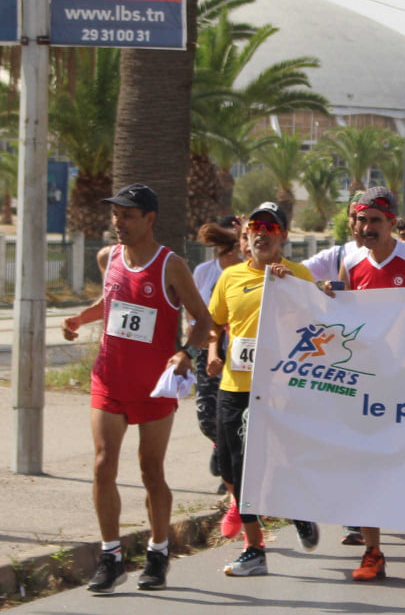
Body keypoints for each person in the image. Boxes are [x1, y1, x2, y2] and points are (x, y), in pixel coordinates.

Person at [59, 184, 213, 594]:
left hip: (154, 387)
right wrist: (80, 318)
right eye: (115, 215)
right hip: (109, 379)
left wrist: (185, 354)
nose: (118, 223)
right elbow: (111, 304)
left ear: (149, 219)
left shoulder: (170, 265)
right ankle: (110, 557)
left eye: (127, 215)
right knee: (102, 463)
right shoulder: (107, 257)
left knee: (150, 470)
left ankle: (158, 551)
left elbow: (203, 320)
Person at [306, 187, 405, 579]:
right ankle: (373, 552)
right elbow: (343, 318)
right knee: (362, 462)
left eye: (375, 221)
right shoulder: (350, 259)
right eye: (361, 220)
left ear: (391, 223)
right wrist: (329, 295)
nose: (366, 228)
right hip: (362, 381)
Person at [207, 203, 319, 578]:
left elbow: (319, 328)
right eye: (255, 226)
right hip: (235, 386)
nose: (261, 232)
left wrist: (292, 290)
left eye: (270, 227)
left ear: (283, 236)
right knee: (234, 469)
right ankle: (256, 548)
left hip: (279, 389)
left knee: (277, 461)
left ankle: (286, 518)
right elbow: (215, 324)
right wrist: (211, 353)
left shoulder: (299, 275)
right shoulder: (230, 277)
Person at [193, 219, 242, 496]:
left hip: (239, 351)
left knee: (235, 415)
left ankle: (231, 477)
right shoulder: (204, 272)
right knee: (207, 417)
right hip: (208, 348)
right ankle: (219, 444)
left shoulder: (248, 270)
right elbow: (194, 310)